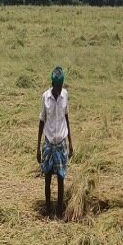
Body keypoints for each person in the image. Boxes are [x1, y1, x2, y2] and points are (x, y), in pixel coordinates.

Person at [37, 66, 73, 219]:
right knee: (47, 176)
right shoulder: (45, 97)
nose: (58, 90)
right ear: (52, 84)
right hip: (49, 143)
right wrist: (38, 147)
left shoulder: (65, 95)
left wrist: (71, 143)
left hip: (61, 143)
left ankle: (59, 212)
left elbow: (67, 118)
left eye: (60, 87)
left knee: (61, 177)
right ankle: (47, 209)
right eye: (56, 87)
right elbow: (41, 121)